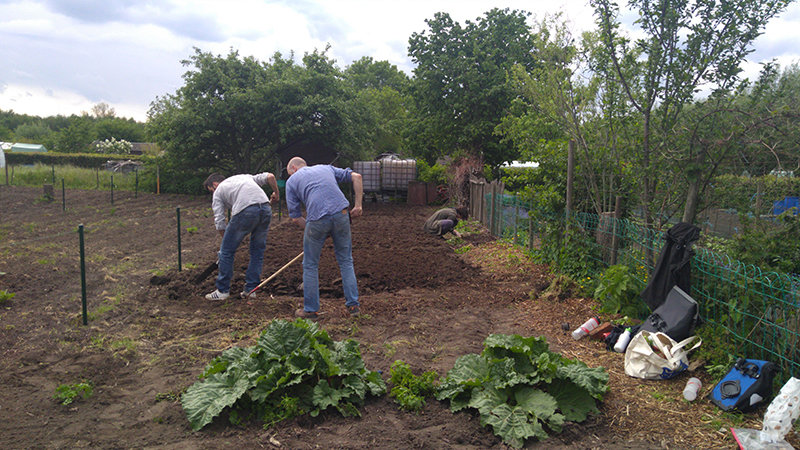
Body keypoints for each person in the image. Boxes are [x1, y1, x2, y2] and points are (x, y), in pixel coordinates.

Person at [285, 157, 362, 319]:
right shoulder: (326, 167)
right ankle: (353, 306)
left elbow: (295, 218)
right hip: (342, 213)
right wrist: (358, 205)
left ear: (293, 168)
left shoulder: (292, 181)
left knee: (310, 265)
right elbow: (357, 177)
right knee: (346, 260)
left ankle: (311, 310)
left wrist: (315, 232)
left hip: (316, 218)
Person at [203, 172, 279, 301]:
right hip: (265, 208)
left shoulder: (218, 191)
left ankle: (222, 291)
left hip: (245, 210)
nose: (213, 193)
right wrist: (276, 194)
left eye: (211, 190)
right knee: (257, 252)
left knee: (226, 251)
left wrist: (226, 242)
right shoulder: (246, 177)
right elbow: (270, 177)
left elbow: (220, 222)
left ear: (215, 185)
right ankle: (251, 290)